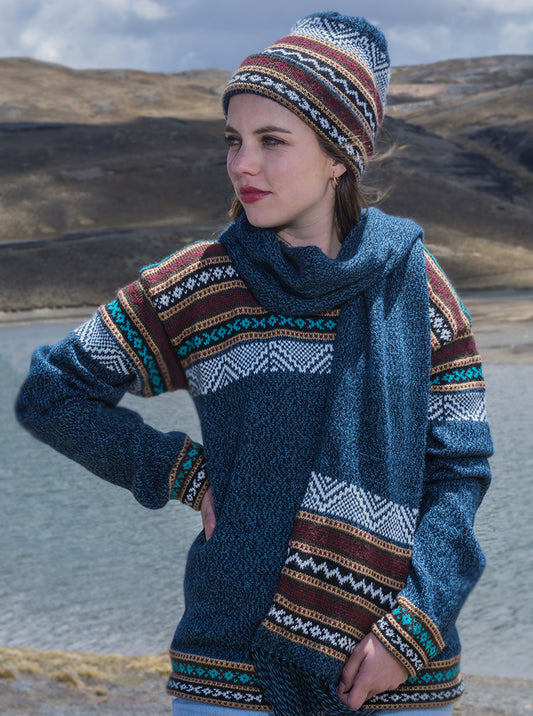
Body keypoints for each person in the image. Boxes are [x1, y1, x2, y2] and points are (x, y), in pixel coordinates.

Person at [15, 11, 493, 716]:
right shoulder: (199, 285)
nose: (242, 164)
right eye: (233, 141)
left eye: (272, 141)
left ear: (338, 155)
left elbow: (459, 473)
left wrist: (411, 631)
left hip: (398, 676)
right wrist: (181, 472)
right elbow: (50, 393)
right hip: (230, 673)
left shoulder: (419, 289)